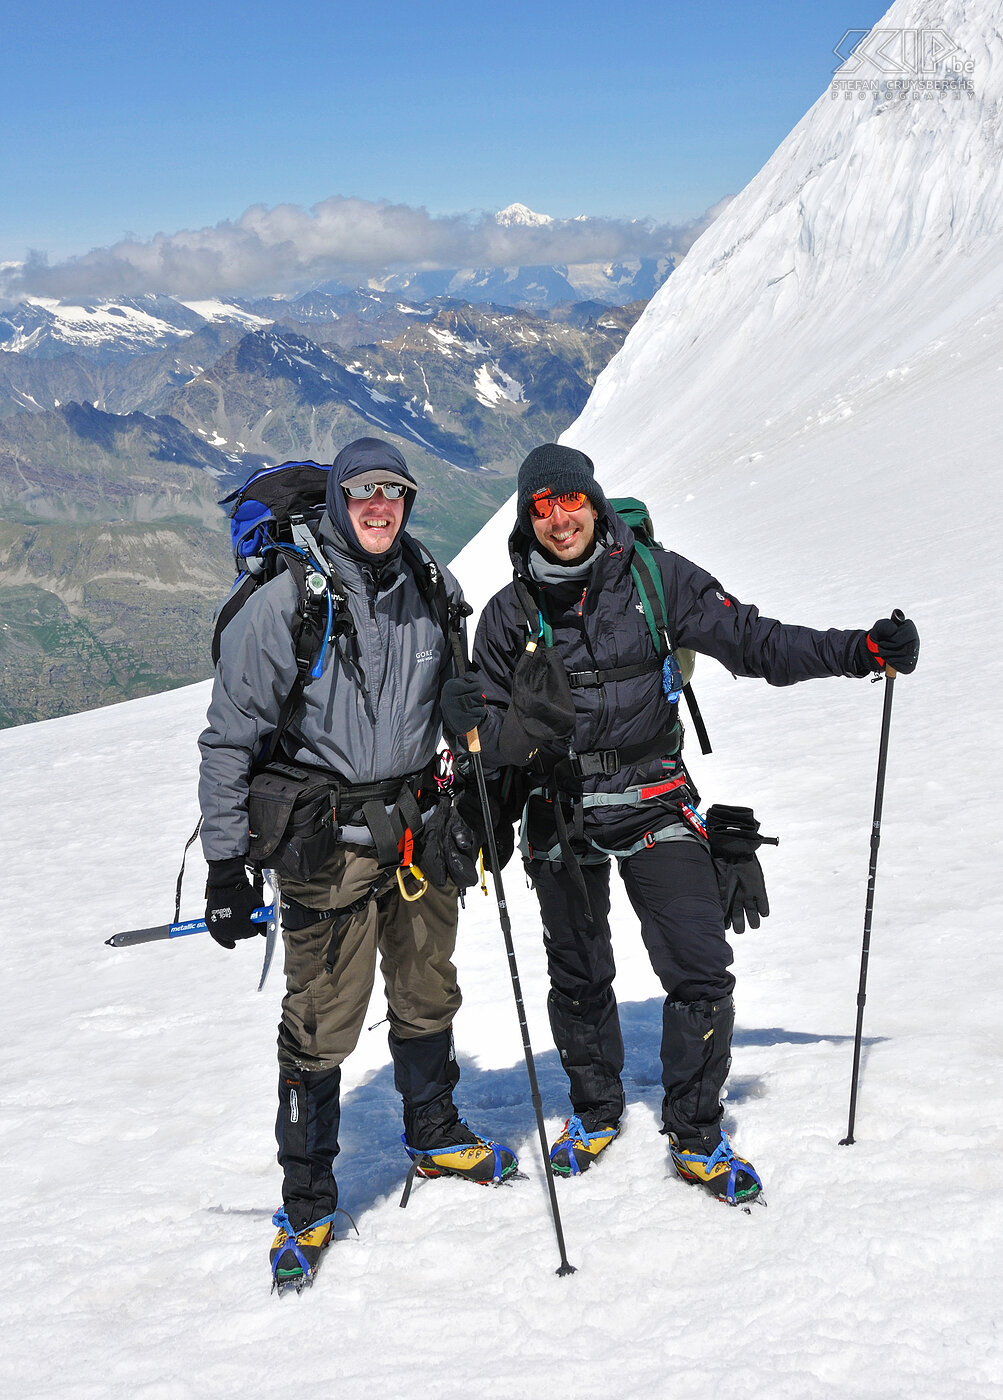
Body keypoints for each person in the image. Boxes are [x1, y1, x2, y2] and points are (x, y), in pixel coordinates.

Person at [443, 442, 919, 1206]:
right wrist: (474, 727)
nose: (559, 518)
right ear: (526, 518)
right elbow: (488, 744)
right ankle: (595, 1112)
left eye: (570, 501)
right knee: (578, 971)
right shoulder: (506, 615)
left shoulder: (656, 581)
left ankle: (694, 1133)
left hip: (653, 796)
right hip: (556, 808)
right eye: (541, 506)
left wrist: (859, 652)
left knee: (699, 968)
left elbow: (755, 642)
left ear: (594, 505)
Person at [198, 436, 517, 1290]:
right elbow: (230, 741)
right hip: (325, 845)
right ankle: (306, 1197)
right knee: (321, 1018)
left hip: (417, 833)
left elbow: (461, 705)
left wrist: (479, 777)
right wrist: (226, 868)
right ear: (339, 499)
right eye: (365, 493)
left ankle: (435, 1129)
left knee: (426, 987)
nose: (382, 508)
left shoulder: (434, 589)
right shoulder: (286, 603)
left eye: (396, 494)